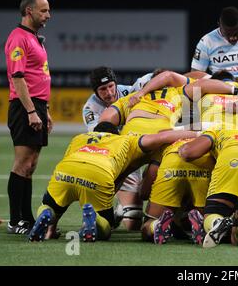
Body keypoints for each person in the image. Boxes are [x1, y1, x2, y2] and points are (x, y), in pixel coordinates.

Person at [28, 122, 198, 242]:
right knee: (106, 227)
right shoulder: (124, 140)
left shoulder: (79, 138)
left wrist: (51, 231)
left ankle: (47, 214)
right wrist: (198, 134)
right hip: (98, 172)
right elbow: (163, 137)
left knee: (52, 203)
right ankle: (96, 220)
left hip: (66, 170)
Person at [82, 66, 153, 231]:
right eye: (103, 89)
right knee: (133, 224)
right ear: (95, 91)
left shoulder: (129, 92)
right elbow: (102, 138)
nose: (109, 92)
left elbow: (156, 76)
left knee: (135, 221)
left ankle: (121, 209)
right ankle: (114, 213)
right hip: (114, 159)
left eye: (110, 86)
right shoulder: (90, 108)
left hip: (136, 151)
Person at [5, 0, 52, 234]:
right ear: (29, 12)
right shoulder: (18, 38)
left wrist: (46, 112)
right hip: (25, 107)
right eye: (43, 11)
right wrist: (32, 111)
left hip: (38, 106)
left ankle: (26, 218)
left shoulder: (35, 38)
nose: (48, 15)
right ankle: (15, 221)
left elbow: (39, 76)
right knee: (22, 163)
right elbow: (18, 78)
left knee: (31, 164)